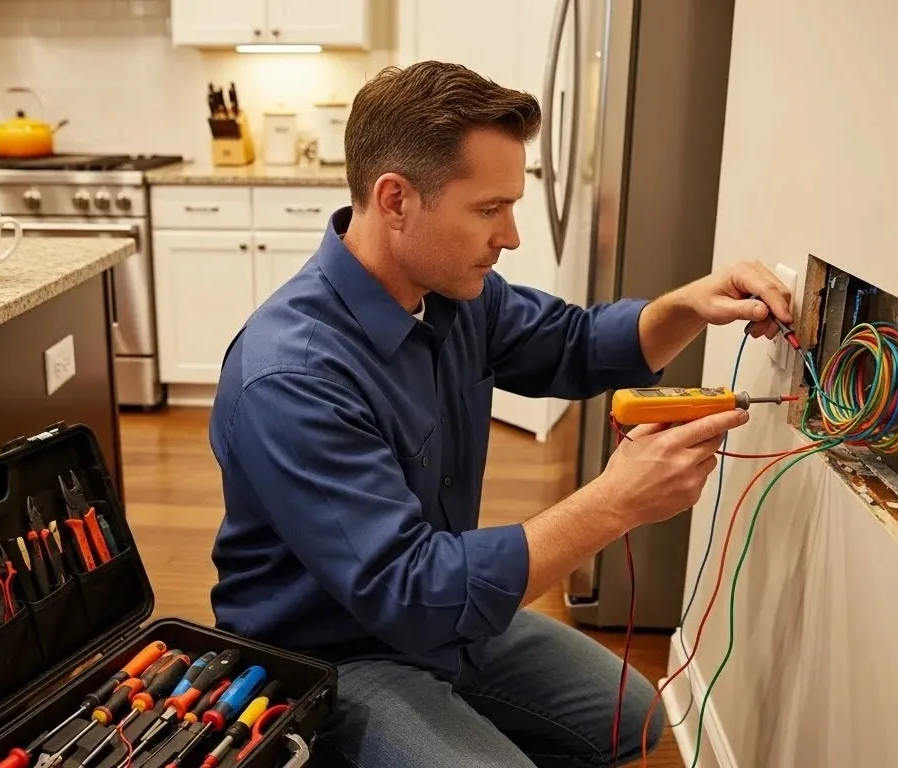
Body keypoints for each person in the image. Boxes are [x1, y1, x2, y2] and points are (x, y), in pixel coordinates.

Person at [207, 61, 793, 768]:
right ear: (395, 199)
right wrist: (612, 503)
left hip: (441, 615)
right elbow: (410, 589)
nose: (511, 236)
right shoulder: (292, 375)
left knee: (629, 718)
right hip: (332, 653)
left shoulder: (454, 295)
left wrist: (687, 305)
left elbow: (576, 346)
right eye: (488, 209)